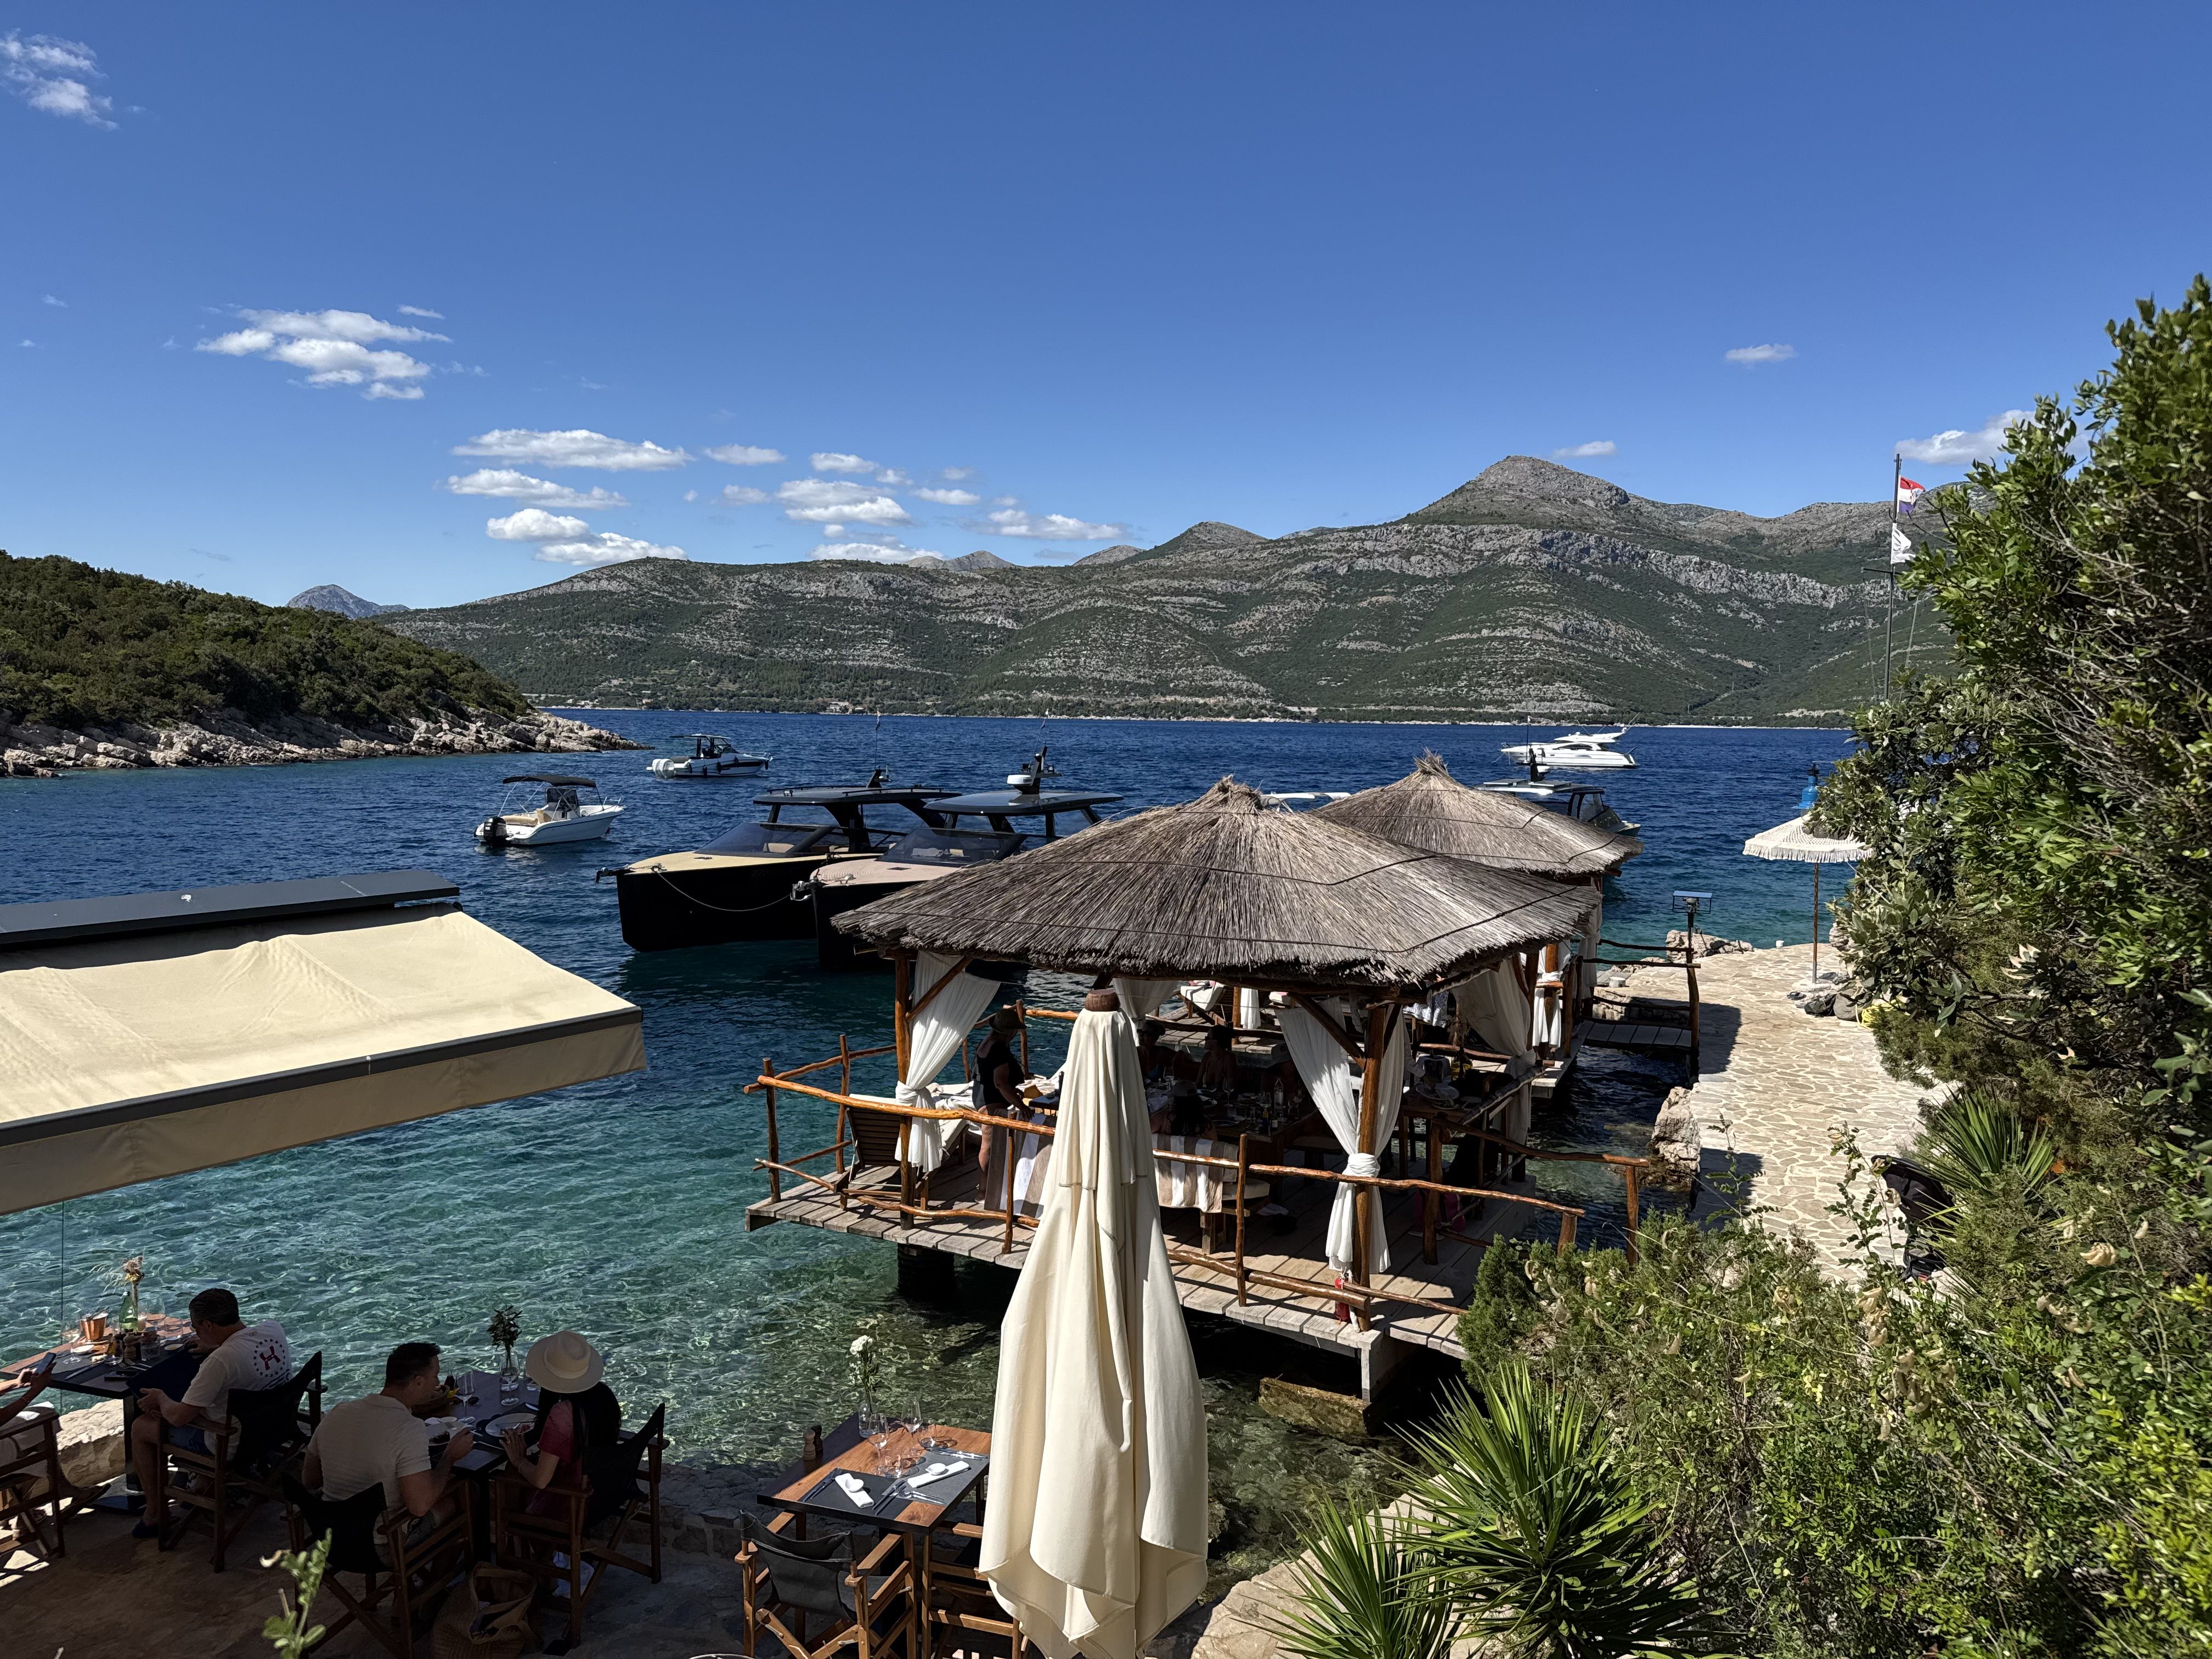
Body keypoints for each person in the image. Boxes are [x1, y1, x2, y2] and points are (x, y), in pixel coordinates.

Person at [129, 1287, 290, 1539]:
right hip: (275, 1428)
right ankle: (199, 1485)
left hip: (231, 1444)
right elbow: (244, 1354)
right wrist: (214, 1346)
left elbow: (179, 1417)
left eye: (195, 1327)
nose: (195, 1332)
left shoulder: (221, 1361)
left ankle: (155, 1512)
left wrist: (161, 1398)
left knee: (142, 1427)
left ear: (208, 1324)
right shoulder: (274, 1330)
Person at [302, 1342, 475, 1559]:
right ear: (418, 1382)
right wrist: (449, 1458)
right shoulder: (407, 1428)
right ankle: (436, 1583)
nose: (438, 1383)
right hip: (380, 1544)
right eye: (436, 1376)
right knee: (469, 1494)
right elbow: (420, 1506)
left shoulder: (338, 1412)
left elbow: (310, 1480)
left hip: (330, 1538)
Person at [500, 1332, 621, 1521]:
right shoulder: (604, 1397)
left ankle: (520, 1541)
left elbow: (541, 1481)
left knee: (510, 1470)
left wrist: (519, 1460)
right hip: (601, 1496)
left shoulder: (564, 1412)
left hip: (572, 1504)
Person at [973, 1007, 1026, 1206]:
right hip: (992, 1101)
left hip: (981, 1097)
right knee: (988, 1145)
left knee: (988, 1144)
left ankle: (986, 1189)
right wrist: (1020, 1104)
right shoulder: (999, 1049)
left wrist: (1012, 1092)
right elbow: (1000, 1083)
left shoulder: (985, 1043)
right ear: (1010, 1031)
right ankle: (984, 1192)